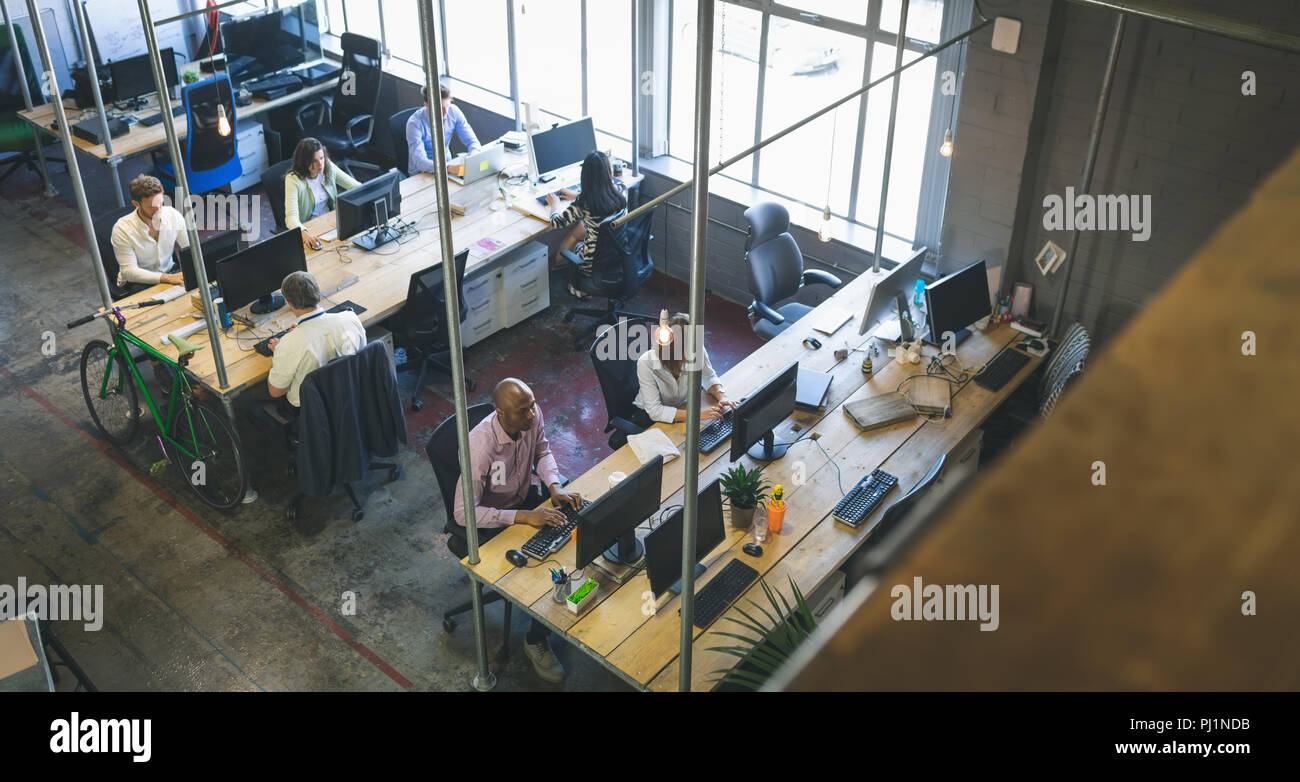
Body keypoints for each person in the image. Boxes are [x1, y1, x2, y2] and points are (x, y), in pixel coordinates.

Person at [452, 378, 582, 683]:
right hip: (493, 523)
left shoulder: (531, 417)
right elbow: (463, 513)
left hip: (523, 501)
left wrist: (554, 485)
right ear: (500, 413)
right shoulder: (480, 447)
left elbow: (543, 451)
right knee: (546, 571)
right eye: (523, 411)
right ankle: (536, 639)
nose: (532, 415)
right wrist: (521, 517)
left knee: (576, 531)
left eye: (532, 405)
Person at [264, 271, 366, 414]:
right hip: (354, 394)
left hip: (313, 411)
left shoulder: (289, 344)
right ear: (318, 293)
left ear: (288, 303)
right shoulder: (351, 318)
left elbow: (275, 392)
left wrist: (279, 352)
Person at [633, 312, 736, 428]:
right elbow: (655, 412)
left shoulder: (696, 348)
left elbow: (708, 377)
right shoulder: (646, 362)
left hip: (682, 406)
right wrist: (696, 415)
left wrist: (722, 396)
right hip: (650, 416)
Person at [546, 151, 626, 298]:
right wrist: (575, 195)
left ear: (585, 177)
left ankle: (578, 287)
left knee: (575, 242)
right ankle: (571, 278)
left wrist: (554, 205)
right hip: (618, 256)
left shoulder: (583, 204)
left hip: (592, 265)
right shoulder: (620, 190)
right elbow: (600, 195)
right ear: (608, 172)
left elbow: (556, 223)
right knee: (578, 231)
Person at [111, 174, 188, 288]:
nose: (159, 210)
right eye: (152, 207)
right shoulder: (122, 229)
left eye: (161, 204)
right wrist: (166, 278)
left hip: (169, 272)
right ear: (136, 204)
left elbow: (190, 248)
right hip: (138, 282)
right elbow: (129, 271)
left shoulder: (173, 215)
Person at [284, 137, 359, 250]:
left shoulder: (327, 166)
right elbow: (291, 217)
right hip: (309, 228)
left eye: (322, 158)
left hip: (331, 222)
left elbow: (355, 186)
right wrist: (304, 233)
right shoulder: (293, 180)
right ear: (304, 162)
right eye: (314, 161)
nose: (320, 164)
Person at [406, 83, 480, 176]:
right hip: (422, 172)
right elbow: (420, 161)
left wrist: (472, 159)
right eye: (440, 109)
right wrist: (448, 168)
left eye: (447, 106)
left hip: (448, 166)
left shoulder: (454, 111)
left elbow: (473, 142)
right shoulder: (414, 123)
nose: (445, 112)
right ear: (426, 104)